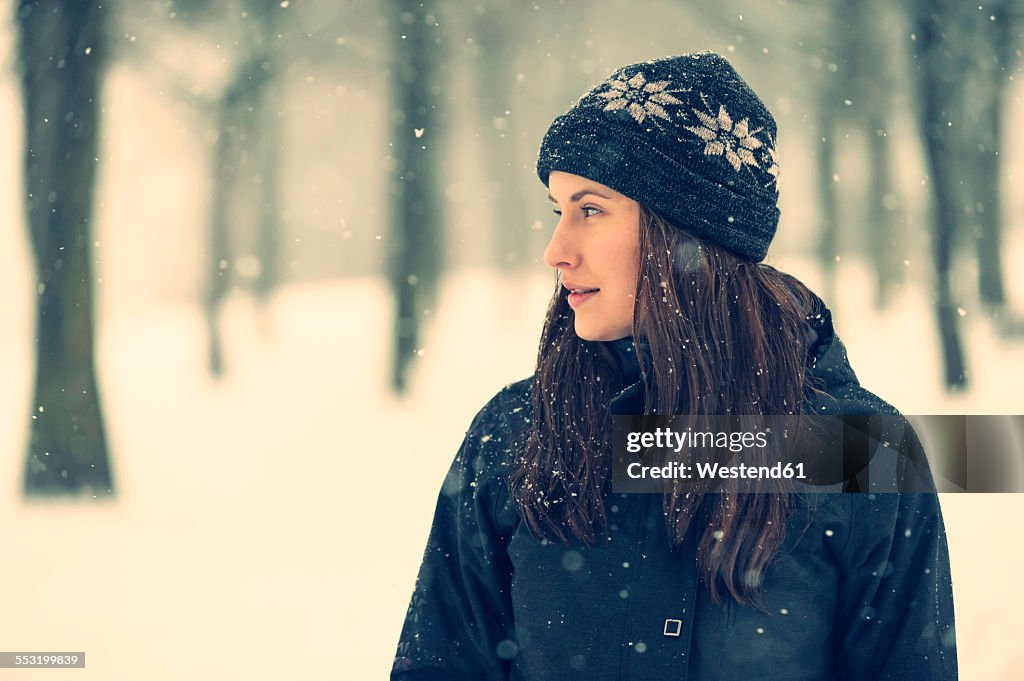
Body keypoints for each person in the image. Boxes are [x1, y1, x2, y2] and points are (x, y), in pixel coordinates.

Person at [390, 52, 957, 680]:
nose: (556, 250)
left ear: (685, 234)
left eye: (591, 209)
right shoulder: (515, 434)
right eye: (558, 212)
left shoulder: (860, 451)